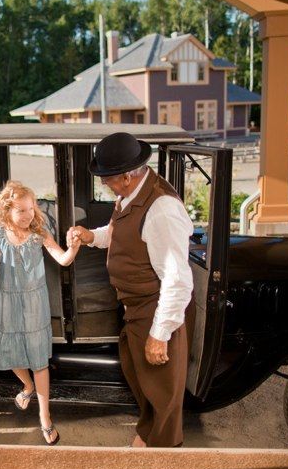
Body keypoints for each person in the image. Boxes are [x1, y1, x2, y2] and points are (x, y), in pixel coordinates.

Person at [67, 132, 194, 448]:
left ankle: (162, 456)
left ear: (125, 176)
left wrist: (160, 333)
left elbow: (177, 279)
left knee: (163, 390)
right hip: (136, 306)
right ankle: (149, 434)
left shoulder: (161, 209)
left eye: (106, 178)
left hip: (154, 307)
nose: (104, 184)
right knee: (144, 378)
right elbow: (121, 233)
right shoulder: (133, 193)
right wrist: (91, 236)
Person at [0, 181, 81, 445]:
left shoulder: (39, 234)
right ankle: (28, 386)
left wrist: (75, 246)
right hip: (9, 302)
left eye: (31, 208)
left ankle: (45, 417)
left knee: (39, 362)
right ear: (6, 211)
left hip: (35, 303)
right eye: (21, 210)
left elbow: (63, 259)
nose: (28, 215)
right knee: (11, 354)